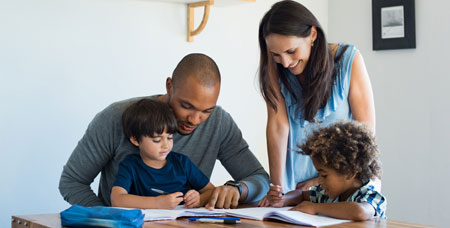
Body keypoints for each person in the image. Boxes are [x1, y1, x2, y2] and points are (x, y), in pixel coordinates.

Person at [59, 53, 269, 208]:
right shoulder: (116, 118)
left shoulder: (219, 122)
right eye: (186, 106)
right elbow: (72, 182)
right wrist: (107, 219)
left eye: (206, 111)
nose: (195, 120)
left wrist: (237, 189)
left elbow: (260, 179)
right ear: (169, 86)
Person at [256, 0, 376, 205]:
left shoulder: (349, 60)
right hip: (295, 189)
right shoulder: (275, 71)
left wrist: (321, 179)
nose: (285, 62)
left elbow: (365, 135)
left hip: (343, 187)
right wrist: (276, 189)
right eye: (276, 55)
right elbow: (278, 127)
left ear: (312, 35)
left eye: (291, 52)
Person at [264, 121, 386, 220]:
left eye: (324, 175)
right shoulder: (327, 193)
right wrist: (283, 199)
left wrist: (315, 208)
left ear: (349, 173)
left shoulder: (370, 194)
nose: (319, 181)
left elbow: (359, 212)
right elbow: (301, 195)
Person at [111, 99, 215, 209]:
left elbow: (211, 191)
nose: (166, 145)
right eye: (157, 140)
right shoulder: (130, 165)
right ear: (135, 140)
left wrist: (199, 199)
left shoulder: (182, 163)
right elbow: (117, 199)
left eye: (170, 138)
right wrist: (157, 203)